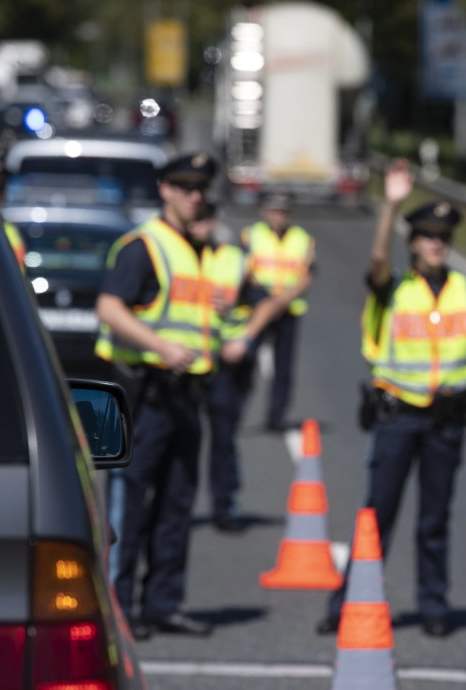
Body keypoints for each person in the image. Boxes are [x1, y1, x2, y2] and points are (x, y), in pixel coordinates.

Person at [317, 158, 466, 638]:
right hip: (397, 418)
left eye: (443, 237)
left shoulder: (465, 291)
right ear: (412, 242)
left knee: (435, 520)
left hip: (446, 422)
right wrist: (391, 205)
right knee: (377, 516)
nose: (436, 243)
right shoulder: (392, 287)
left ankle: (434, 606)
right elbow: (375, 262)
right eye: (427, 236)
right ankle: (345, 604)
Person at [94, 152, 230, 640]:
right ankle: (117, 607)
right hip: (146, 394)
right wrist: (160, 346)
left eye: (201, 189)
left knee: (177, 502)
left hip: (186, 395)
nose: (196, 196)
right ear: (165, 190)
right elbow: (109, 306)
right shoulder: (144, 247)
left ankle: (162, 604)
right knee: (130, 504)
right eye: (186, 187)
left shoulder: (198, 249)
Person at [198, 202, 286, 532]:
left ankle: (224, 505)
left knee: (224, 436)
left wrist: (246, 339)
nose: (200, 226)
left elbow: (268, 302)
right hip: (180, 363)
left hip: (225, 364)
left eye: (206, 218)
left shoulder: (234, 261)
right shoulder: (168, 256)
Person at [240, 190, 315, 431]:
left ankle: (275, 416)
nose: (278, 216)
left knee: (283, 368)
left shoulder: (303, 239)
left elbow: (308, 275)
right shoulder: (251, 235)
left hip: (288, 309)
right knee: (246, 360)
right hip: (257, 306)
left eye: (283, 211)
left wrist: (282, 301)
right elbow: (242, 271)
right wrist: (264, 301)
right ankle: (237, 409)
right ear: (264, 212)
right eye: (274, 210)